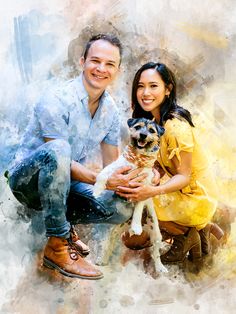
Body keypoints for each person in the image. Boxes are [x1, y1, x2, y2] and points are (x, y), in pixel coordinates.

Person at [6, 33, 146, 279]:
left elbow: (111, 165)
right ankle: (57, 245)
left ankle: (64, 225)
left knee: (122, 206)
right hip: (27, 182)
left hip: (64, 185)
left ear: (118, 70)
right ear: (82, 62)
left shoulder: (110, 111)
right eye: (95, 61)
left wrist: (132, 180)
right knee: (60, 150)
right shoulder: (56, 99)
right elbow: (59, 161)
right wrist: (100, 179)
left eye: (109, 64)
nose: (101, 69)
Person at [117, 62, 224, 263]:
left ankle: (186, 234)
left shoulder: (175, 126)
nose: (145, 92)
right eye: (140, 86)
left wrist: (151, 191)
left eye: (153, 86)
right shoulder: (154, 123)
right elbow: (158, 163)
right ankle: (198, 231)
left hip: (197, 198)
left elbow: (183, 176)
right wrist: (154, 175)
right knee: (131, 194)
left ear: (168, 89)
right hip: (181, 193)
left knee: (133, 198)